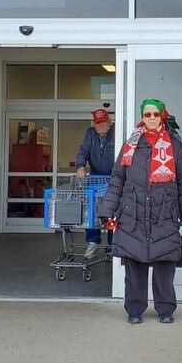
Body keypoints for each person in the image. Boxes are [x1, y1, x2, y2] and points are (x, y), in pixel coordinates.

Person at [98, 99, 182, 324]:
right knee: (134, 265)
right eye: (147, 114)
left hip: (164, 212)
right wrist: (108, 210)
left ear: (162, 116)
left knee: (164, 265)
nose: (151, 118)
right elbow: (117, 181)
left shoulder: (175, 145)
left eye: (155, 114)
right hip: (132, 213)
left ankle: (165, 309)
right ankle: (134, 309)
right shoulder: (130, 144)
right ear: (142, 117)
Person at [74, 109, 115, 259]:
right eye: (98, 123)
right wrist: (80, 167)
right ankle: (93, 242)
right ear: (94, 124)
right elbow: (83, 152)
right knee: (91, 212)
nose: (101, 125)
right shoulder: (90, 134)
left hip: (114, 179)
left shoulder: (116, 132)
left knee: (113, 214)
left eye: (104, 122)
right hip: (96, 180)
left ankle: (112, 247)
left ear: (109, 122)